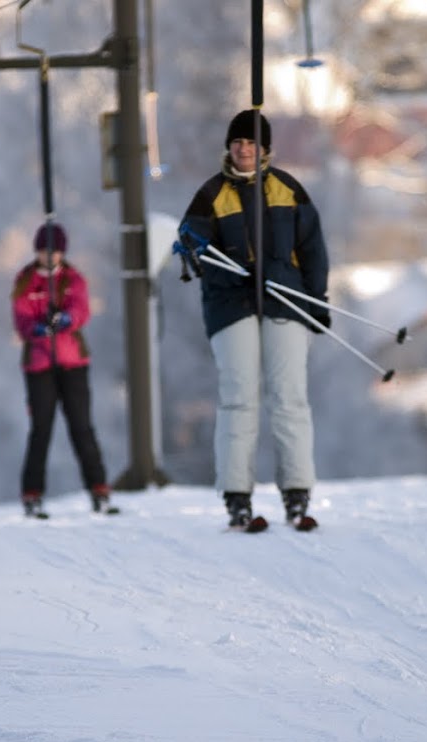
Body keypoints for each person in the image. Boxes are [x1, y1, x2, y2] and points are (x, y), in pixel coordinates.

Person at [178, 109, 330, 529]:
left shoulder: (287, 190)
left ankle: (297, 494)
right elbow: (193, 250)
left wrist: (316, 302)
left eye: (252, 143)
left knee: (289, 398)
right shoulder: (211, 194)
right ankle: (237, 497)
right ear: (228, 147)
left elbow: (313, 250)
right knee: (239, 397)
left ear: (266, 148)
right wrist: (192, 246)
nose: (244, 150)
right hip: (232, 306)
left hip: (285, 301)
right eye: (238, 143)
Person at [11, 221, 112, 518]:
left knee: (82, 427)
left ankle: (98, 488)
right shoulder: (26, 281)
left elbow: (81, 309)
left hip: (72, 363)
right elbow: (22, 319)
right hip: (39, 364)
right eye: (45, 251)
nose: (50, 257)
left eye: (55, 252)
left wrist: (66, 319)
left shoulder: (72, 279)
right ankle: (32, 493)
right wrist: (40, 327)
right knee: (41, 429)